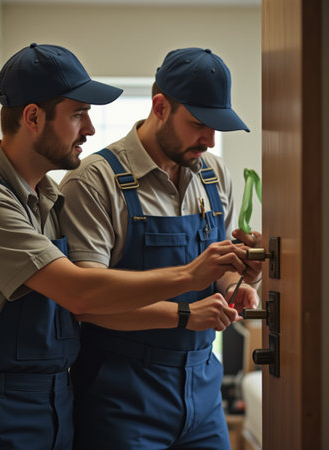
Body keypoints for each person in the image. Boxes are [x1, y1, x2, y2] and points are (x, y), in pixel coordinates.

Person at [0, 44, 252, 450]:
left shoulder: (44, 196)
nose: (89, 129)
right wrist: (189, 289)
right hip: (2, 403)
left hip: (57, 397)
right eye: (77, 114)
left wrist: (233, 280)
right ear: (33, 117)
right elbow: (82, 294)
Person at [59, 47, 262, 449]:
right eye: (199, 123)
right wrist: (186, 315)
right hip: (122, 393)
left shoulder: (212, 172)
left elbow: (216, 270)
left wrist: (236, 282)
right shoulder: (94, 181)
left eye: (217, 125)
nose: (210, 139)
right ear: (160, 106)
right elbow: (87, 303)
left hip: (203, 389)